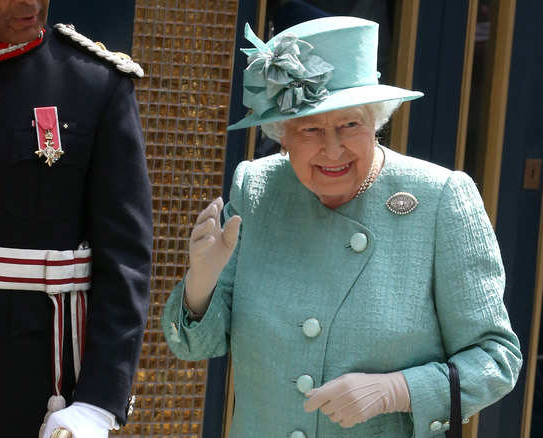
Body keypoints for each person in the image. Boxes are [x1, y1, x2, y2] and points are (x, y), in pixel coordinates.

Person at [163, 16, 522, 437]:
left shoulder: (441, 198)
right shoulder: (256, 189)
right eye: (310, 129)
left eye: (350, 124)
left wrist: (399, 389)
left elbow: (496, 360)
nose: (333, 150)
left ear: (376, 120)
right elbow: (194, 346)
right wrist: (199, 287)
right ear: (281, 134)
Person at [0, 1, 153, 437]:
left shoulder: (96, 85)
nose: (31, 3)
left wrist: (97, 403)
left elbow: (125, 260)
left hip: (31, 389)